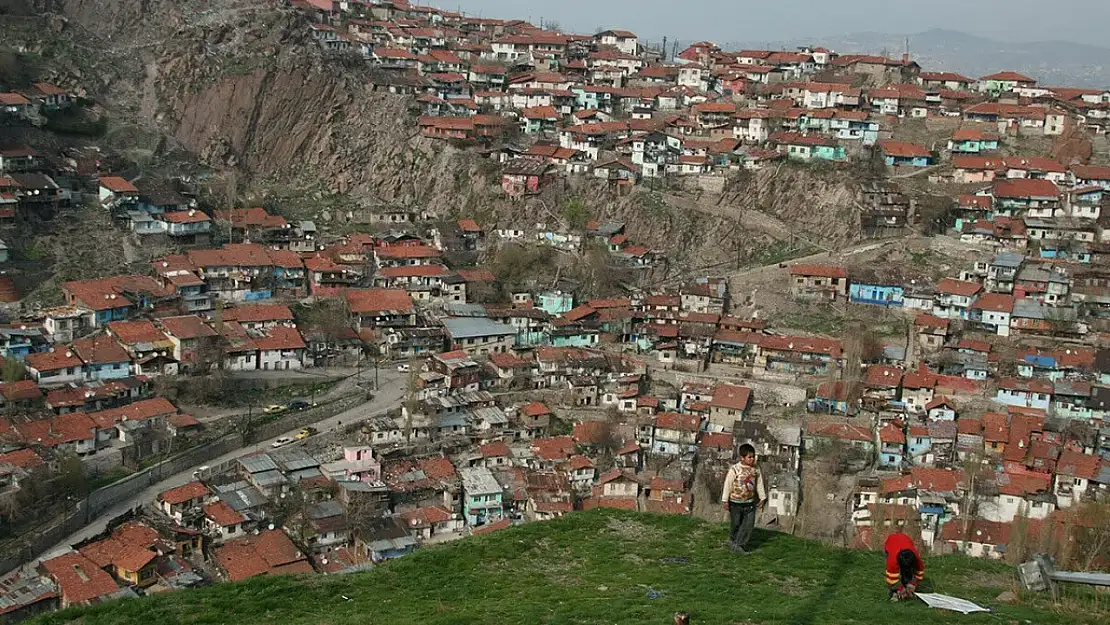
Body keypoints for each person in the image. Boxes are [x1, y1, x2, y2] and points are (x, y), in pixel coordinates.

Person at [720, 443, 766, 555]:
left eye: (753, 456)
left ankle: (739, 545)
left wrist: (762, 497)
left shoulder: (756, 469)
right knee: (736, 523)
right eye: (749, 457)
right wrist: (725, 500)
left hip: (750, 503)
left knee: (748, 525)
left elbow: (759, 484)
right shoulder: (735, 469)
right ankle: (732, 540)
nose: (752, 459)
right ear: (742, 457)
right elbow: (728, 484)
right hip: (735, 503)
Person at [884, 531, 925, 601]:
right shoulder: (892, 561)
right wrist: (899, 589)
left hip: (905, 539)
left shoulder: (916, 558)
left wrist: (913, 584)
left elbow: (919, 573)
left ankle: (907, 584)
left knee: (908, 572)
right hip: (891, 541)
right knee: (896, 576)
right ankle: (894, 593)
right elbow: (891, 579)